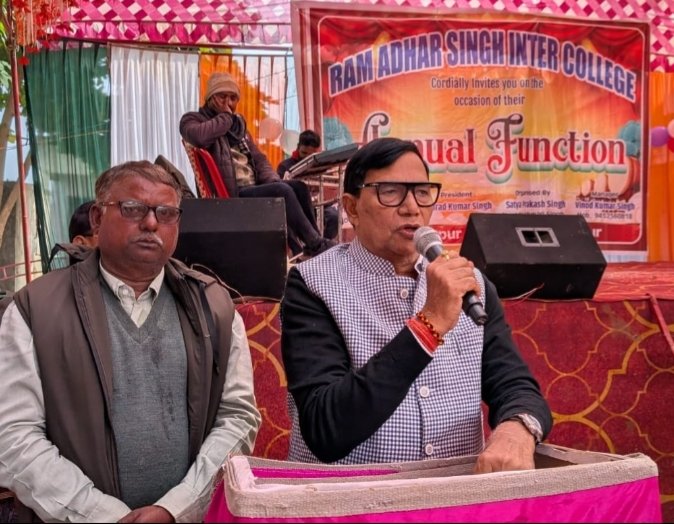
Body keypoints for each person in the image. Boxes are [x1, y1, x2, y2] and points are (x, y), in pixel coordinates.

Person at [0, 160, 261, 522]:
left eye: (166, 213)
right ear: (96, 218)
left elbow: (237, 416)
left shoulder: (214, 306)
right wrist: (101, 515)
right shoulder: (35, 308)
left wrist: (178, 507)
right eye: (133, 208)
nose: (151, 223)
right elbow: (13, 435)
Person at [280, 137, 552, 470]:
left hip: (456, 493)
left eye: (422, 192)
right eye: (390, 192)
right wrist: (428, 324)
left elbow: (514, 385)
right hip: (350, 495)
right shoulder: (313, 285)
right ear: (352, 208)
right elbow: (326, 430)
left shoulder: (470, 285)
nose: (412, 208)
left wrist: (517, 429)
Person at [179, 72, 335, 258]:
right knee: (282, 191)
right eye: (222, 96)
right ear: (210, 97)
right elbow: (198, 137)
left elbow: (259, 159)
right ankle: (315, 244)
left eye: (233, 98)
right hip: (233, 193)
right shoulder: (193, 120)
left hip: (252, 187)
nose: (228, 103)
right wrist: (226, 117)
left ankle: (312, 244)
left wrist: (273, 180)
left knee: (298, 187)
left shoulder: (239, 127)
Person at [277, 130, 340, 245]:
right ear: (298, 147)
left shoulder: (323, 166)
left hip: (321, 205)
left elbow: (330, 188)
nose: (306, 158)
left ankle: (324, 246)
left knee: (334, 217)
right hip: (298, 208)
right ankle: (306, 248)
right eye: (304, 153)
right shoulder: (285, 166)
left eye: (311, 156)